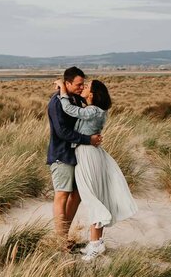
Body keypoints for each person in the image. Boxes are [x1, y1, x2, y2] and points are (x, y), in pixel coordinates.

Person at [54, 78, 137, 259]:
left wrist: (62, 90)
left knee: (92, 198)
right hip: (92, 154)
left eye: (87, 87)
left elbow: (69, 109)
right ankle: (97, 242)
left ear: (92, 94)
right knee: (95, 196)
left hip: (87, 155)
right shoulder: (97, 110)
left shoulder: (92, 110)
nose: (83, 88)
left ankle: (95, 245)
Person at [46, 66, 102, 249]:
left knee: (76, 195)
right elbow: (62, 132)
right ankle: (60, 240)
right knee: (62, 194)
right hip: (61, 154)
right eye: (78, 84)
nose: (81, 87)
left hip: (78, 155)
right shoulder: (56, 102)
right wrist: (88, 139)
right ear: (67, 83)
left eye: (83, 84)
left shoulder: (76, 100)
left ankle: (64, 235)